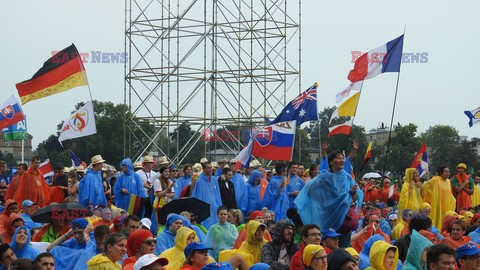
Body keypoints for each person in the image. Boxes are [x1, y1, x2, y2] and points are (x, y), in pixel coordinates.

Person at [295, 150, 357, 247]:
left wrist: (353, 193)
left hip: (344, 220)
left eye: (343, 158)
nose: (342, 160)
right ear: (331, 162)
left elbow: (354, 199)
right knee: (327, 249)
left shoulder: (347, 177)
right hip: (327, 219)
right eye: (338, 158)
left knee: (343, 251)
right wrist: (325, 200)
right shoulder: (324, 177)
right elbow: (310, 189)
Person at [422, 165, 456, 231]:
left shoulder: (448, 181)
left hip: (446, 206)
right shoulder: (436, 179)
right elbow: (425, 186)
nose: (448, 173)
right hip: (438, 206)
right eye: (446, 172)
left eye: (448, 172)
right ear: (441, 173)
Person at [192, 162, 222, 229]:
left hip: (215, 209)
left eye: (211, 168)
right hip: (205, 210)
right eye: (208, 168)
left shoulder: (214, 179)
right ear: (204, 169)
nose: (210, 169)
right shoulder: (199, 181)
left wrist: (219, 206)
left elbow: (218, 194)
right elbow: (197, 197)